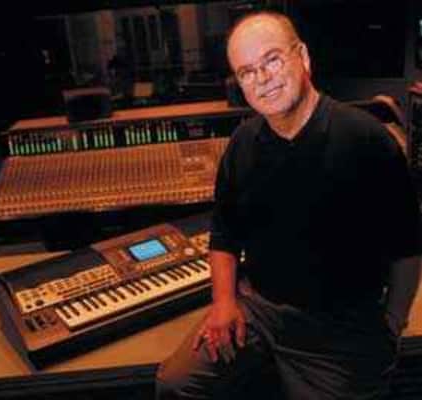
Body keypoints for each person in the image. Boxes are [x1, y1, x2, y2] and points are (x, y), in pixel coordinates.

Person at [156, 11, 422, 399]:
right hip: (259, 311)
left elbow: (408, 248)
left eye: (273, 60)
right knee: (175, 384)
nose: (263, 78)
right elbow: (224, 235)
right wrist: (224, 303)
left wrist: (392, 326)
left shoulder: (367, 140)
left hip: (339, 330)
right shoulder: (243, 144)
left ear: (304, 57)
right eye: (247, 72)